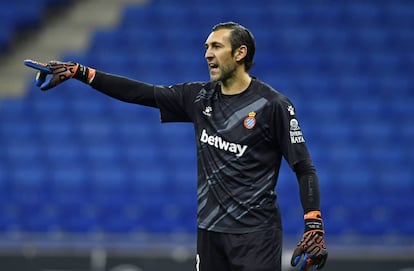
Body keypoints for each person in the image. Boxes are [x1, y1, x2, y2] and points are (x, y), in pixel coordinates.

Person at [24, 22, 327, 271]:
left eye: (216, 46)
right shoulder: (198, 97)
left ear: (240, 53)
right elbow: (141, 93)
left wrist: (313, 225)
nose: (207, 53)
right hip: (209, 232)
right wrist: (81, 72)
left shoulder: (272, 105)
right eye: (206, 47)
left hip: (256, 236)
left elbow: (304, 167)